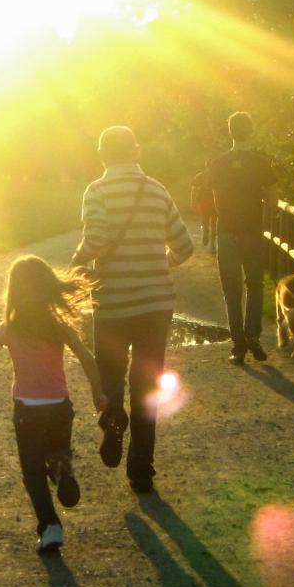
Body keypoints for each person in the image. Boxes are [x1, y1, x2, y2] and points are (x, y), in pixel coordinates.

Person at [70, 126, 194, 494]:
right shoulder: (157, 191)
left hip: (112, 302)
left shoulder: (96, 192)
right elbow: (185, 247)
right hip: (156, 306)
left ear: (102, 155)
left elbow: (97, 238)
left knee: (110, 376)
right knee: (147, 385)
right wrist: (161, 264)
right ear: (136, 151)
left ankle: (112, 418)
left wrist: (77, 262)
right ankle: (142, 468)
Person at [0, 255, 107, 553]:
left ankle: (50, 527)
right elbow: (87, 358)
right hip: (59, 407)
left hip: (27, 410)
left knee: (32, 470)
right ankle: (62, 471)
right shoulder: (58, 326)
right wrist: (98, 394)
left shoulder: (7, 329)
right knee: (56, 450)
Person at [208, 111, 278, 366]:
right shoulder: (262, 162)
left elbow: (216, 202)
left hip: (227, 229)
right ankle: (253, 335)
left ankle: (237, 346)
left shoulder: (218, 163)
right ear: (251, 131)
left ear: (230, 132)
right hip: (252, 229)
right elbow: (272, 200)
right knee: (255, 284)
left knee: (231, 289)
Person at [190, 159, 218, 253]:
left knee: (205, 220)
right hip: (215, 202)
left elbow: (193, 189)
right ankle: (212, 246)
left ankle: (205, 231)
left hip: (204, 202)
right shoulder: (217, 176)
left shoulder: (200, 175)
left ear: (205, 165)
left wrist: (193, 201)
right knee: (214, 224)